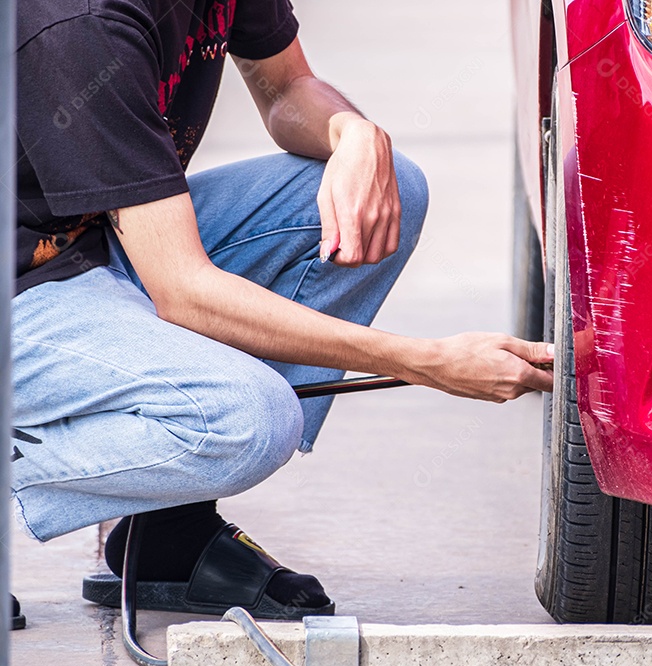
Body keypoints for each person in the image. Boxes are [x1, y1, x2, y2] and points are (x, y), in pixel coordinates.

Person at [10, 0, 553, 628]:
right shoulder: (81, 25)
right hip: (26, 285)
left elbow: (285, 86)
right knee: (248, 421)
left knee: (387, 185)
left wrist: (352, 133)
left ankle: (169, 536)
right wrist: (426, 361)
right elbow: (183, 291)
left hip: (95, 243)